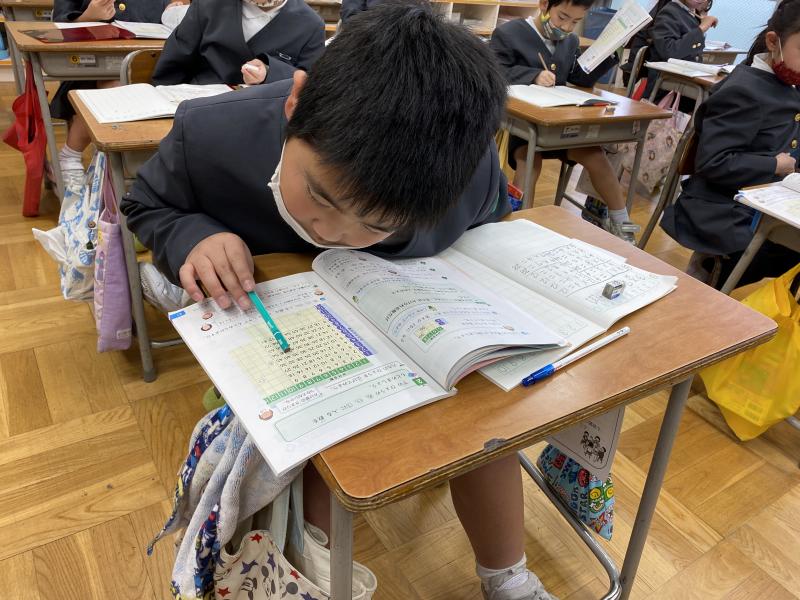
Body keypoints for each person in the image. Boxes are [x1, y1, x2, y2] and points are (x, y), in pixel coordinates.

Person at [121, 4, 554, 598]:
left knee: (486, 425)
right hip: (283, 334)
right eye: (320, 196)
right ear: (296, 102)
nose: (334, 232)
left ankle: (507, 576)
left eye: (376, 224)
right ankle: (308, 577)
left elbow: (486, 235)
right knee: (313, 460)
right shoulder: (211, 133)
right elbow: (147, 204)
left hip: (409, 324)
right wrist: (193, 236)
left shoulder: (469, 175)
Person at [661, 0, 800, 288]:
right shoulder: (745, 91)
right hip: (723, 210)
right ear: (773, 42)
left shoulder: (787, 86)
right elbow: (714, 162)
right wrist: (775, 164)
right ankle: (711, 277)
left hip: (761, 200)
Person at [490, 0, 639, 243]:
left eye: (576, 22)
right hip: (526, 126)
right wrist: (533, 75)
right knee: (529, 162)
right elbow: (494, 72)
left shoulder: (569, 41)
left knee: (596, 157)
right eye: (562, 17)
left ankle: (625, 228)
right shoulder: (509, 33)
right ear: (544, 4)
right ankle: (518, 227)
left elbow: (578, 78)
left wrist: (609, 51)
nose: (567, 27)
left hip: (561, 125)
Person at [51, 0, 169, 189]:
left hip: (149, 62)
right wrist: (87, 16)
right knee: (112, 86)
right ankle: (72, 157)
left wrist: (172, 12)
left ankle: (112, 164)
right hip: (92, 64)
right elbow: (59, 24)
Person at [151, 0, 325, 87]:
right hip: (197, 110)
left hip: (266, 121)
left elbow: (311, 86)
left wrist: (271, 73)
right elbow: (172, 68)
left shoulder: (310, 25)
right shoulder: (208, 5)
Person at [643, 0, 719, 98]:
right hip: (667, 85)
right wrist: (701, 28)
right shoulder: (670, 12)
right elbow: (669, 51)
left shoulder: (691, 13)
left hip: (684, 79)